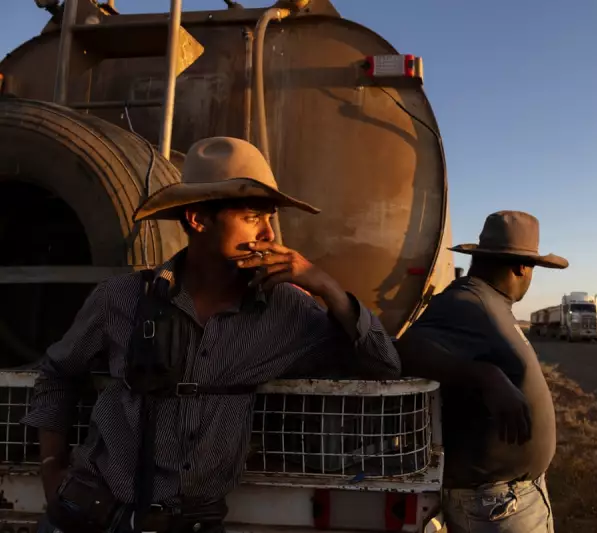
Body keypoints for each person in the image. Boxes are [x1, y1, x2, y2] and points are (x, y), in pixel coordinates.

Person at [22, 136, 401, 533]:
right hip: (92, 516)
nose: (269, 235)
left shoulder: (284, 308)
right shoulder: (122, 297)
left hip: (193, 523)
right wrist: (51, 470)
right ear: (198, 219)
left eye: (270, 219)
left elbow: (385, 365)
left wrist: (328, 288)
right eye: (253, 218)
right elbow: (58, 373)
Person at [395, 210, 568, 533]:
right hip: (496, 506)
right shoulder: (466, 301)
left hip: (508, 499)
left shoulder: (489, 302)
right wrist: (485, 376)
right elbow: (407, 351)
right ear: (522, 266)